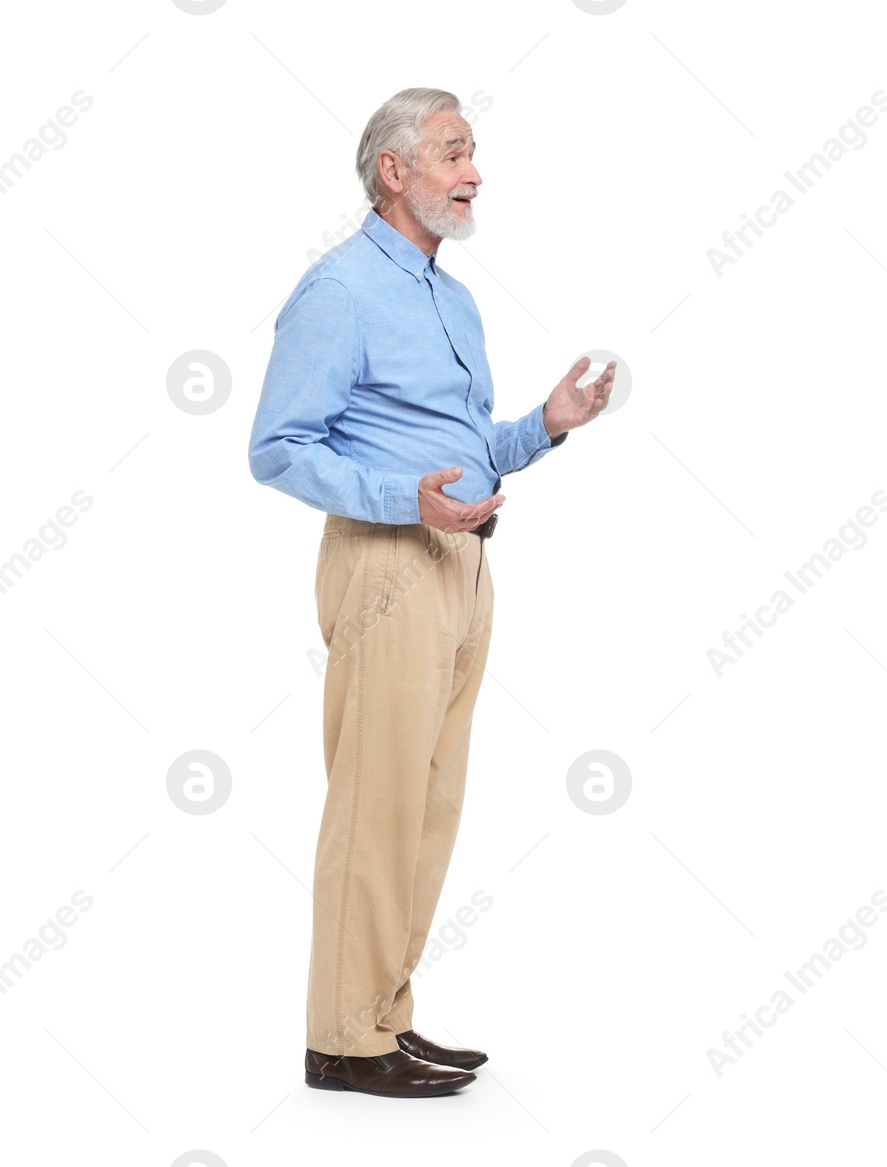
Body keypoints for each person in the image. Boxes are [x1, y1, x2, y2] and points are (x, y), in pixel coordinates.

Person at [248, 87, 614, 1098]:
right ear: (393, 172)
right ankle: (340, 1039)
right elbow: (276, 451)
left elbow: (461, 451)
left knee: (427, 805)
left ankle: (384, 1017)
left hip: (462, 563)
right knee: (375, 803)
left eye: (474, 151)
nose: (475, 171)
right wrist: (400, 503)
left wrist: (546, 422)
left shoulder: (450, 299)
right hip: (385, 565)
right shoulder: (339, 291)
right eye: (454, 152)